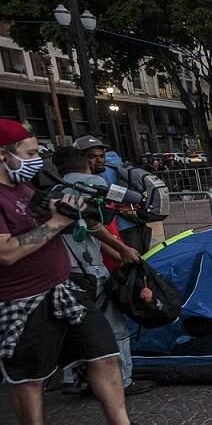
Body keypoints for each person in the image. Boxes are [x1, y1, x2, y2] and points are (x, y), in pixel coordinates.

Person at [0, 118, 173, 425]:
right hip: (22, 298)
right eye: (29, 154)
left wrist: (116, 245)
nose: (36, 161)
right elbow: (7, 253)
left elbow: (83, 221)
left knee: (104, 352)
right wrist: (56, 223)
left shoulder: (27, 188)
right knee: (30, 375)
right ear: (3, 155)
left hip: (63, 287)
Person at [52, 146, 154, 397]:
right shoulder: (92, 184)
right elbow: (104, 218)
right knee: (115, 327)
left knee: (73, 327)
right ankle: (124, 379)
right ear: (85, 164)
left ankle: (75, 378)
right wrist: (123, 250)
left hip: (60, 271)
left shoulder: (53, 191)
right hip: (89, 268)